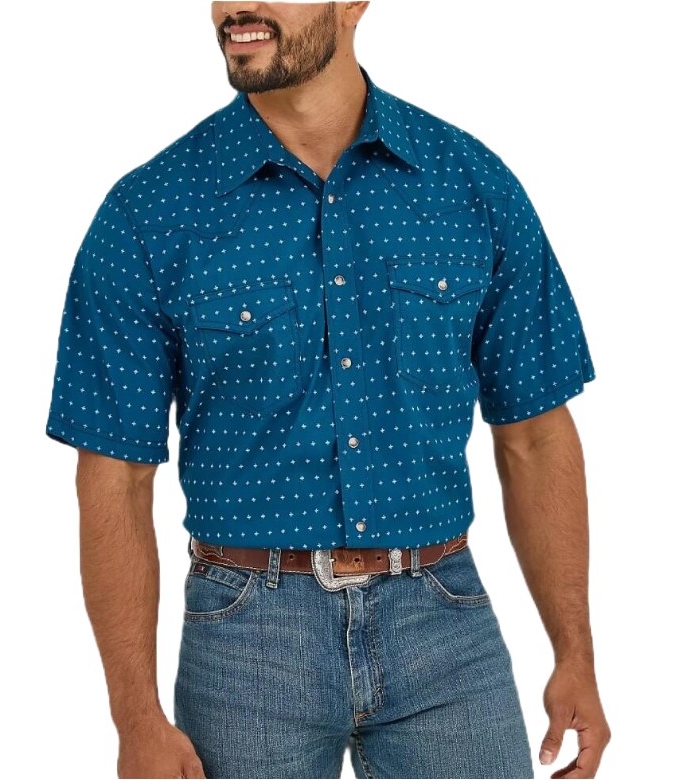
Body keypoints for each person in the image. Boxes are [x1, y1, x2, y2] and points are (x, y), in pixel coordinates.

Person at [45, 2, 611, 778]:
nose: (237, 7)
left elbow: (537, 436)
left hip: (444, 620)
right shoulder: (150, 212)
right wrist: (135, 717)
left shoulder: (469, 184)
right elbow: (113, 478)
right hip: (246, 636)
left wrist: (576, 653)